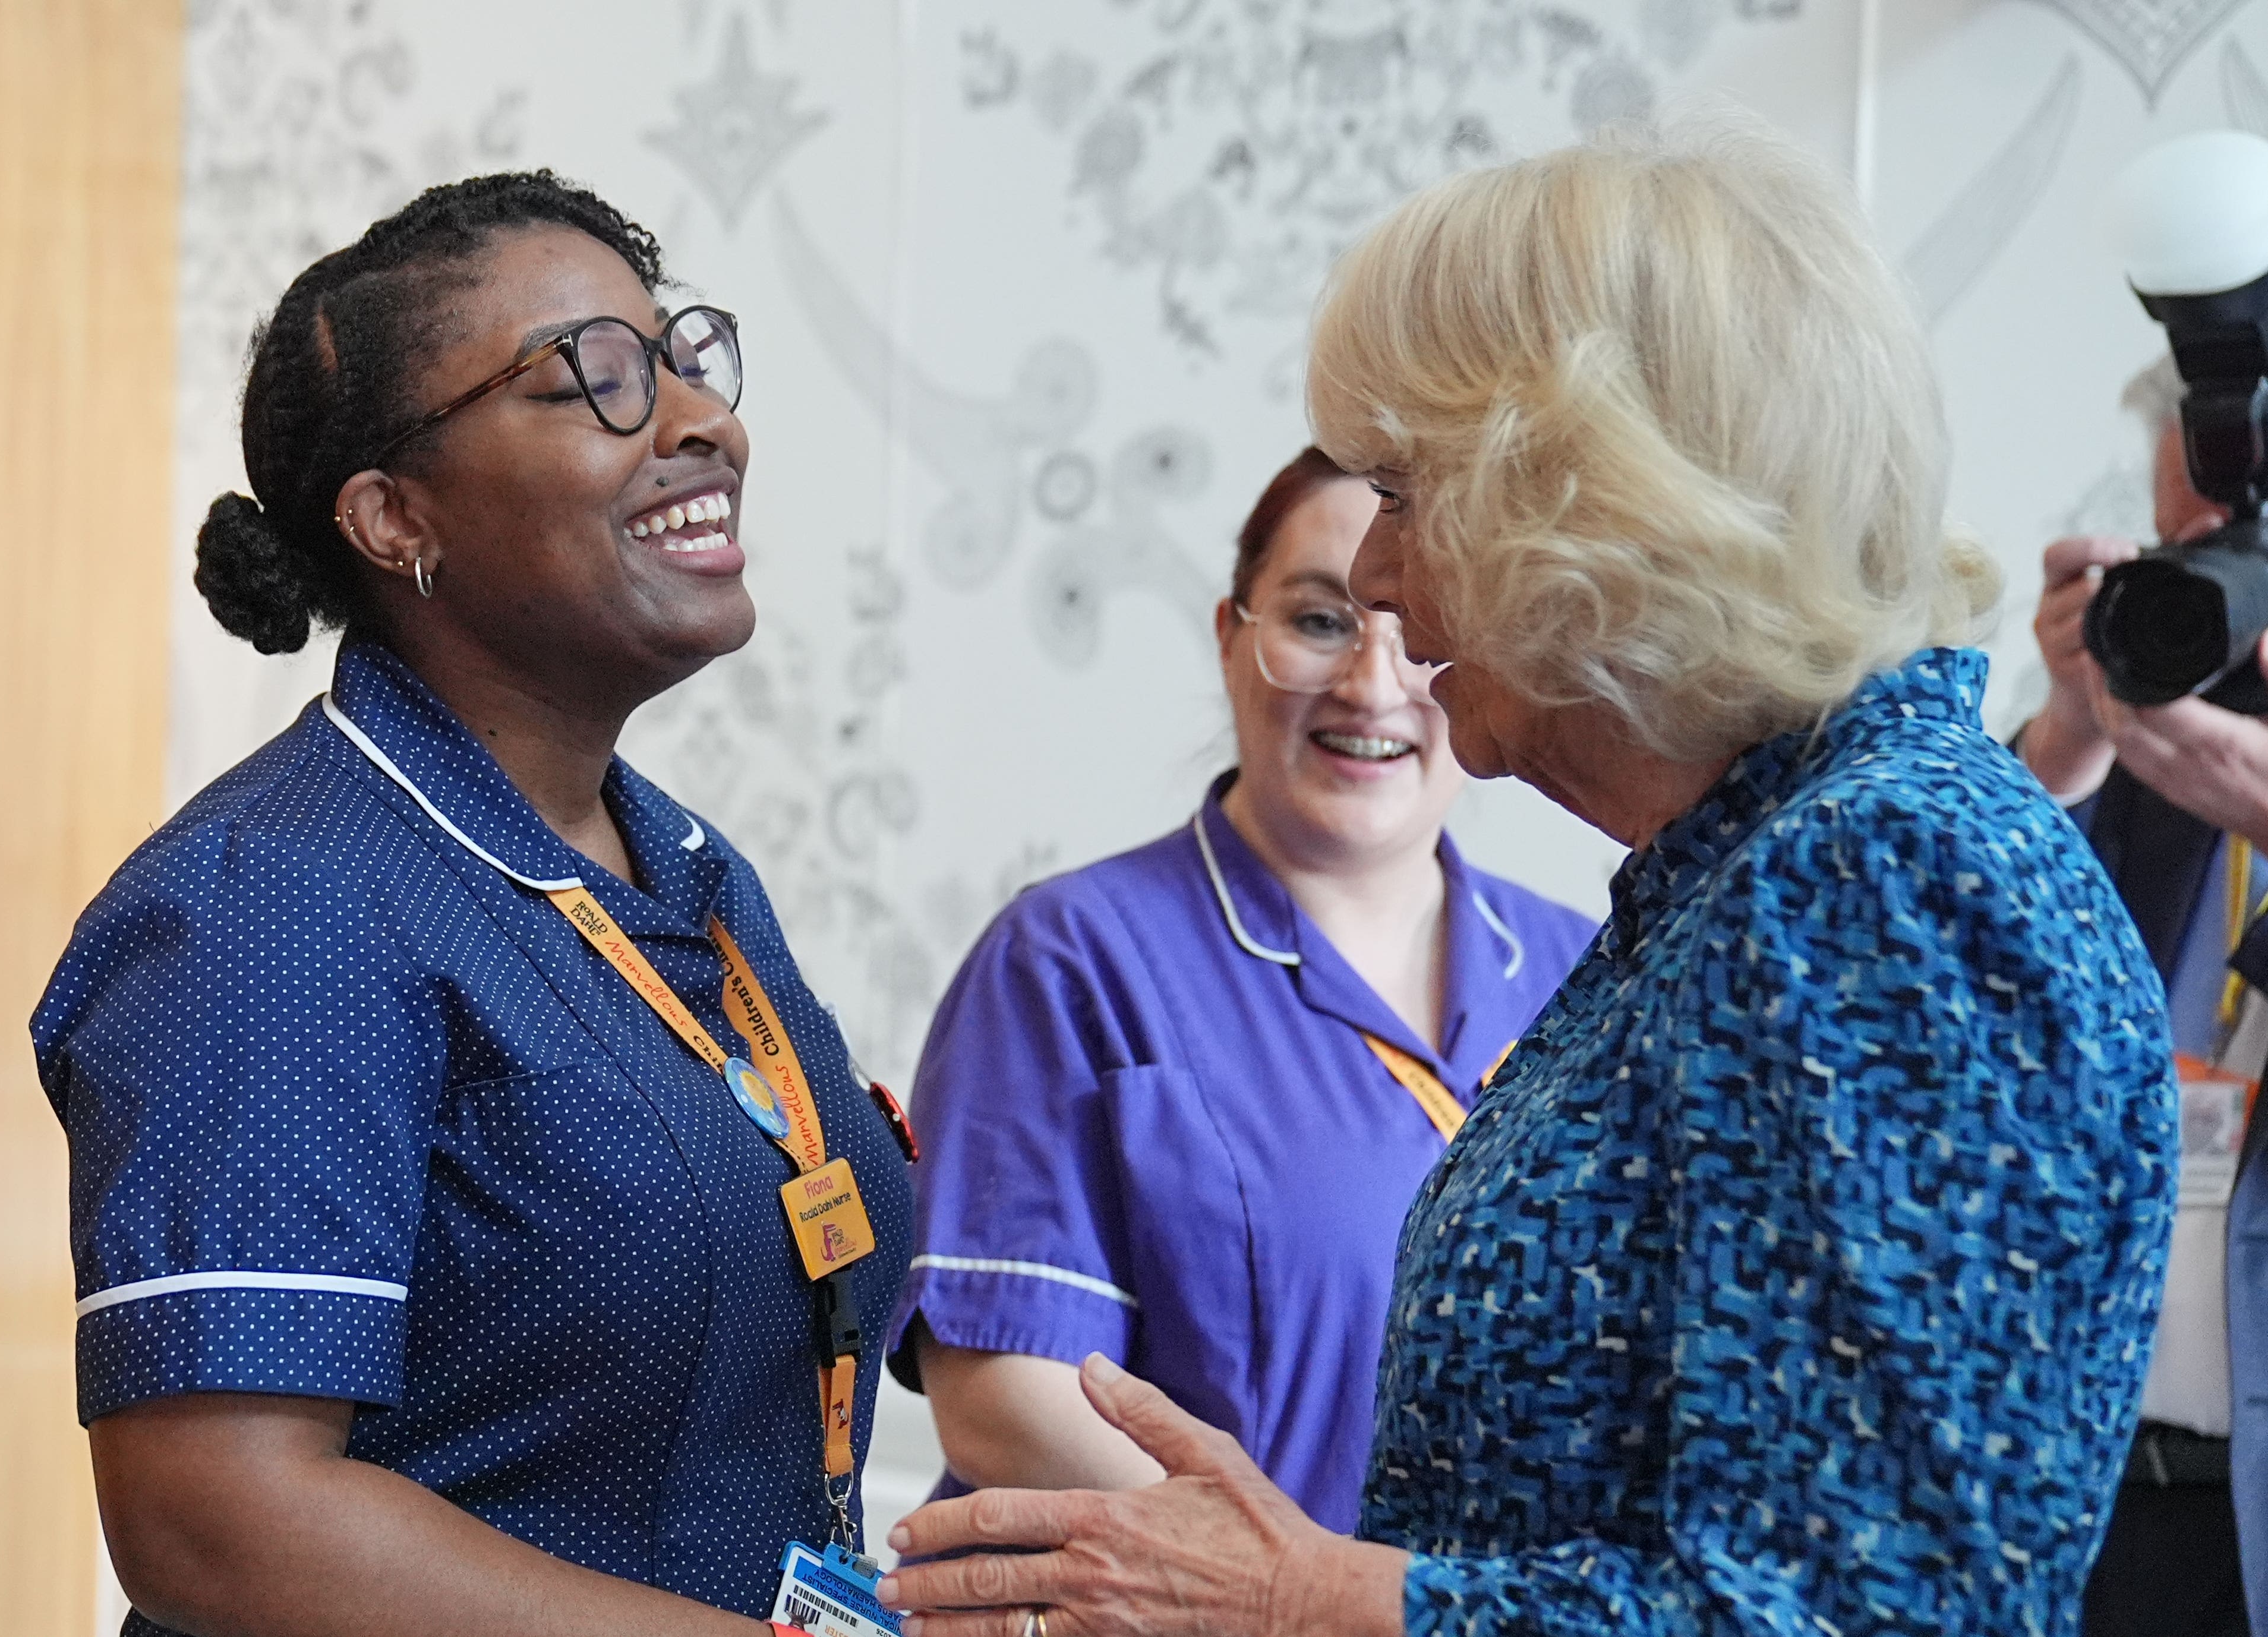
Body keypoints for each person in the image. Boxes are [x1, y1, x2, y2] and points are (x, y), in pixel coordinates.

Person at [873, 115, 2174, 1637]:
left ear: (1607, 507)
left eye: (1411, 496)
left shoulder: (1879, 875)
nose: (1372, 579)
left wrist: (1301, 1595)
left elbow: (1860, 1613)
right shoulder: (1742, 872)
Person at [32, 172, 916, 1637]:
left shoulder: (685, 868)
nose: (703, 423)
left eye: (682, 357)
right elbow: (218, 1516)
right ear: (393, 519)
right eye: (598, 380)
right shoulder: (274, 905)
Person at [891, 449, 1593, 1526]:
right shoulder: (1074, 959)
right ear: (1232, 640)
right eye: (1320, 622)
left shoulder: (1595, 973)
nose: (1372, 683)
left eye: (1420, 627)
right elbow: (1001, 1397)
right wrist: (1285, 1598)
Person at [2018, 351, 2266, 1637]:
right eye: (2190, 548)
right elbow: (1940, 1013)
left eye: (2249, 545)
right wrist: (2069, 735)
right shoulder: (2155, 753)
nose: (2219, 591)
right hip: (2104, 1495)